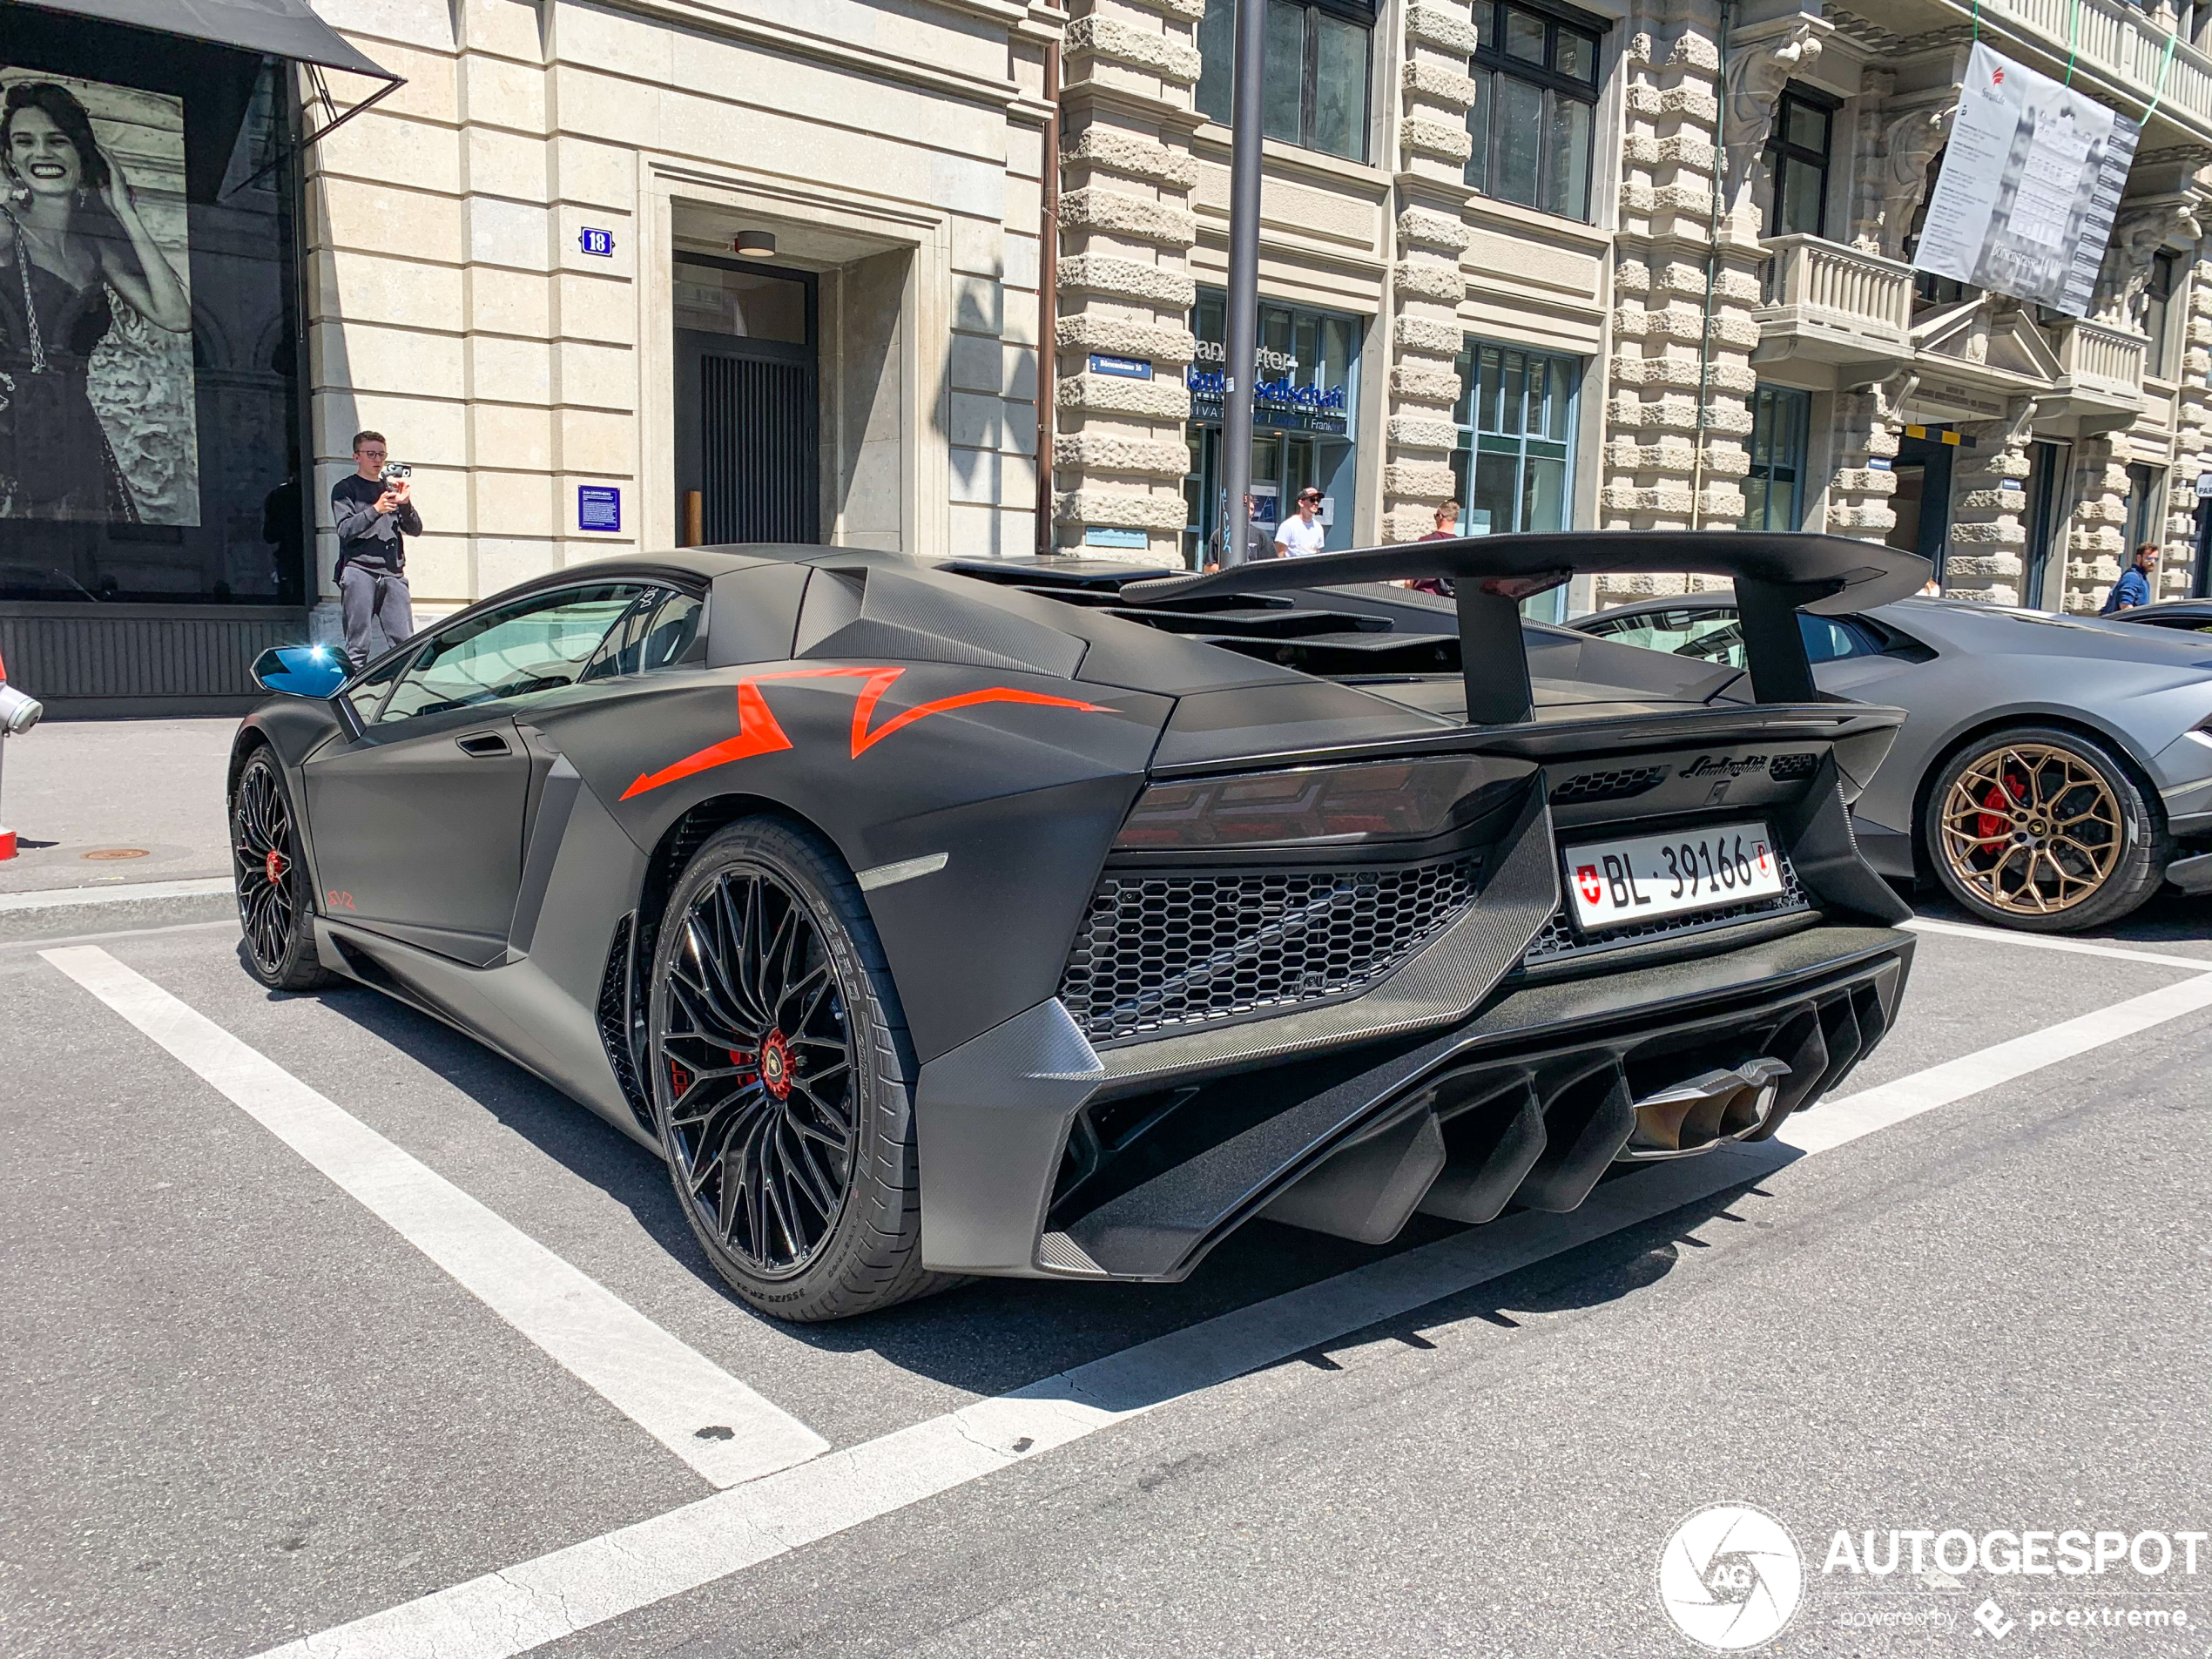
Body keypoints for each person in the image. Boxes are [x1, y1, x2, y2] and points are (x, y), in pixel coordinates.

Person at [0, 80, 192, 521]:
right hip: (12, 430)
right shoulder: (7, 230)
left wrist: (124, 209)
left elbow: (176, 315)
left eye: (57, 141)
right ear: (10, 158)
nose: (41, 153)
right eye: (24, 142)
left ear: (81, 155)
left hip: (76, 437)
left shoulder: (95, 251)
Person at [332, 430, 421, 667]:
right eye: (370, 454)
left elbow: (415, 529)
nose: (377, 460)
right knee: (358, 646)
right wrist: (375, 510)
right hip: (360, 570)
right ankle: (352, 697)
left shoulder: (390, 488)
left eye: (381, 455)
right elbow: (345, 530)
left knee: (405, 645)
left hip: (393, 573)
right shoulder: (345, 489)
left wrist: (404, 504)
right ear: (356, 457)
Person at [1408, 499, 1460, 596]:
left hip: (1424, 598)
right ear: (1455, 520)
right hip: (1450, 602)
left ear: (1440, 516)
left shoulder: (1425, 541)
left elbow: (1410, 579)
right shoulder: (1461, 545)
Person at [1209, 493, 1271, 566]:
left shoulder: (1262, 536)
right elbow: (1208, 568)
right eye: (1247, 509)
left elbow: (1271, 568)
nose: (1250, 513)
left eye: (1252, 509)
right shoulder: (1219, 535)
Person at [2101, 542, 2159, 614]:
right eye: (2149, 558)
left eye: (2155, 559)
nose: (2153, 562)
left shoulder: (2141, 577)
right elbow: (2125, 606)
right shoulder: (2132, 577)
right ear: (2139, 558)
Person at [1275, 486, 1326, 556]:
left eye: (1318, 500)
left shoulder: (1318, 527)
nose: (1316, 503)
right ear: (1301, 503)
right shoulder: (1288, 526)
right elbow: (1279, 554)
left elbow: (1317, 553)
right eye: (1312, 500)